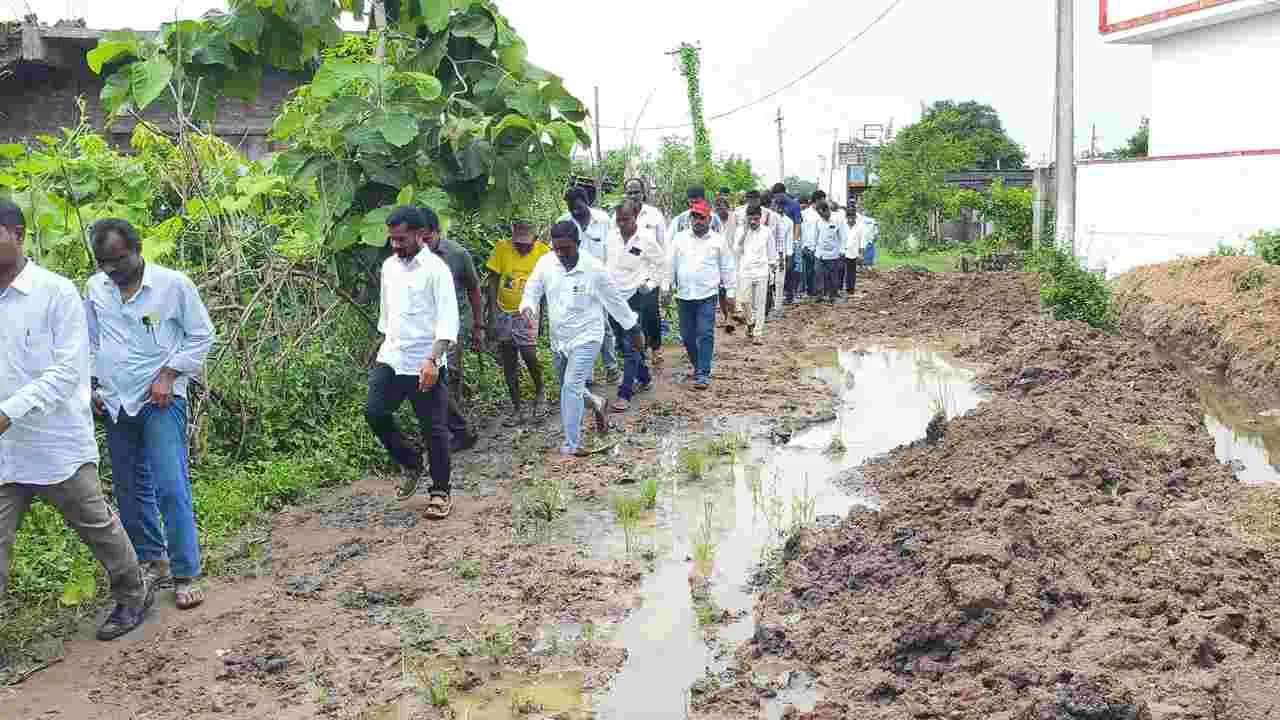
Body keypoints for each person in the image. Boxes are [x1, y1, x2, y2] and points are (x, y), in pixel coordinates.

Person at [0, 201, 155, 641]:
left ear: (18, 235)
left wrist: (9, 411)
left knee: (97, 526)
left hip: (54, 442)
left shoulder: (56, 293)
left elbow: (68, 371)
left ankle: (132, 593)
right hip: (4, 451)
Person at [86, 218, 217, 611]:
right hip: (115, 401)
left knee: (169, 484)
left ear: (138, 249)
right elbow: (91, 341)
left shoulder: (172, 285)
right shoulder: (96, 289)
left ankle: (186, 572)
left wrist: (170, 373)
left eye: (118, 260)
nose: (111, 269)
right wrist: (91, 384)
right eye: (103, 262)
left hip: (161, 400)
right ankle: (151, 559)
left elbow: (202, 335)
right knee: (129, 488)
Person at [519, 222, 644, 456]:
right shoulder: (546, 263)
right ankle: (597, 403)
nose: (561, 254)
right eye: (557, 248)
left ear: (578, 244)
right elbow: (532, 289)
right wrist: (527, 306)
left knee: (571, 385)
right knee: (569, 386)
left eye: (566, 248)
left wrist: (634, 329)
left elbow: (615, 302)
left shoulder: (594, 269)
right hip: (560, 339)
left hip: (588, 335)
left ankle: (572, 443)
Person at [367, 206, 459, 518]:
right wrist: (379, 347)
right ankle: (410, 461)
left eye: (401, 239)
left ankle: (440, 492)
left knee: (434, 429)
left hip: (425, 361)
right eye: (391, 239)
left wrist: (433, 359)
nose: (395, 245)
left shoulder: (436, 271)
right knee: (375, 413)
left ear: (421, 235)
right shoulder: (389, 268)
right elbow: (386, 317)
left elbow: (448, 322)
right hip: (392, 357)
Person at [423, 212, 483, 452]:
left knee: (449, 375)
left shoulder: (457, 255)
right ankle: (454, 428)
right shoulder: (411, 256)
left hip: (453, 326)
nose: (424, 244)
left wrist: (478, 326)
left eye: (428, 238)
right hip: (424, 326)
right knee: (430, 378)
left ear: (438, 232)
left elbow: (474, 289)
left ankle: (455, 432)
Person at [484, 220, 550, 426]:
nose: (521, 247)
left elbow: (547, 287)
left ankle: (540, 392)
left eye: (526, 243)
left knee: (529, 353)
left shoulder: (543, 253)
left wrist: (544, 317)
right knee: (509, 358)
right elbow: (493, 281)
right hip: (504, 309)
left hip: (528, 310)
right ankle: (517, 408)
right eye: (517, 243)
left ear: (535, 240)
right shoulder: (502, 249)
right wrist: (493, 314)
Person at [670, 199, 735, 390]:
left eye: (701, 217)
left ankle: (703, 373)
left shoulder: (718, 241)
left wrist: (730, 291)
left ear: (708, 219)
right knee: (687, 336)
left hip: (707, 294)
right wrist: (667, 286)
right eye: (694, 217)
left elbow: (728, 267)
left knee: (705, 333)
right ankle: (699, 366)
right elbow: (670, 263)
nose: (697, 220)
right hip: (684, 295)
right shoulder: (679, 239)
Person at [605, 199, 664, 411]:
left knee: (631, 346)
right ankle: (645, 377)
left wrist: (651, 283)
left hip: (635, 296)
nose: (622, 224)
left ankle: (625, 393)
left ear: (635, 217)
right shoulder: (610, 238)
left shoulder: (646, 239)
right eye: (618, 220)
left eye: (626, 219)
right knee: (621, 344)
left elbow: (661, 264)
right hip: (613, 297)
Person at [559, 186, 619, 383]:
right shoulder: (563, 223)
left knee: (603, 324)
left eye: (578, 207)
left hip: (599, 280)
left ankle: (611, 366)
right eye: (571, 208)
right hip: (574, 282)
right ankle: (587, 372)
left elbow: (612, 249)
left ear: (587, 203)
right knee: (580, 326)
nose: (575, 212)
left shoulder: (603, 220)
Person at [623, 179, 668, 366]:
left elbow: (664, 247)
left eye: (636, 192)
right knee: (632, 315)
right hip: (628, 275)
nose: (633, 196)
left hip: (650, 275)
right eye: (630, 192)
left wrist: (665, 282)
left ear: (643, 193)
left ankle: (656, 348)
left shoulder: (654, 215)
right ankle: (638, 354)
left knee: (650, 313)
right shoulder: (619, 215)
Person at [733, 205, 774, 344]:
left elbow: (771, 252)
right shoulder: (740, 231)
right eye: (751, 219)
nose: (753, 222)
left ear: (760, 218)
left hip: (762, 271)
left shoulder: (767, 232)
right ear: (747, 218)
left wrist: (772, 270)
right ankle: (750, 322)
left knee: (760, 304)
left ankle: (758, 333)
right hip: (745, 270)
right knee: (744, 300)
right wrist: (745, 231)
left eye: (756, 219)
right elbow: (737, 250)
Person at [814, 201, 848, 303]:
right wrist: (814, 248)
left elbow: (843, 236)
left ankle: (832, 295)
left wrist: (842, 251)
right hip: (819, 253)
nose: (822, 216)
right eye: (819, 215)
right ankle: (820, 295)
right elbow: (816, 236)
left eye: (823, 214)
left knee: (832, 276)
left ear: (827, 210)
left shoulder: (838, 220)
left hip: (833, 254)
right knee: (818, 273)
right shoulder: (818, 221)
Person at [844, 205, 864, 295]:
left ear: (855, 217)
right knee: (841, 270)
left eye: (852, 217)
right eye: (849, 217)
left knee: (851, 271)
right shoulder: (843, 226)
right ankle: (841, 287)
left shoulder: (859, 227)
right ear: (846, 217)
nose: (851, 220)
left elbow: (862, 241)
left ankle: (850, 288)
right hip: (843, 252)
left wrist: (861, 254)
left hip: (853, 252)